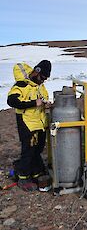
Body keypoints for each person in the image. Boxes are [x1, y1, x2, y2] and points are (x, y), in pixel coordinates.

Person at [7, 60, 52, 191]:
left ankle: (36, 173)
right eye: (42, 77)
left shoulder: (40, 87)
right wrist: (33, 103)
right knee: (28, 150)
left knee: (38, 150)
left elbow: (41, 100)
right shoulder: (21, 86)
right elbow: (12, 101)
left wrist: (46, 104)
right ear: (36, 72)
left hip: (40, 123)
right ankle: (23, 177)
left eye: (46, 79)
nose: (43, 80)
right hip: (27, 123)